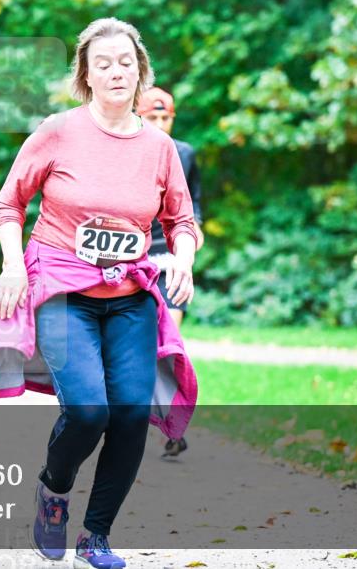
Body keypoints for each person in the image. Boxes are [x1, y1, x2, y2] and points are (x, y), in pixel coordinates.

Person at [0, 18, 199, 569]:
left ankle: (96, 535)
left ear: (140, 71)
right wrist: (12, 265)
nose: (116, 71)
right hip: (62, 287)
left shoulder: (160, 147)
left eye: (126, 62)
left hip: (130, 293)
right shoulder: (59, 131)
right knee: (89, 409)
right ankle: (53, 490)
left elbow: (181, 220)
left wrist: (184, 261)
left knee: (130, 413)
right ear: (87, 75)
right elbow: (9, 203)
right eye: (104, 64)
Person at [137, 87, 206, 460]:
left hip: (172, 260)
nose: (160, 124)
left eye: (166, 118)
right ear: (139, 117)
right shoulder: (125, 151)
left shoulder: (184, 153)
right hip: (134, 260)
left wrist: (195, 232)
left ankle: (173, 426)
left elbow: (194, 204)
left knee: (168, 343)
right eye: (153, 118)